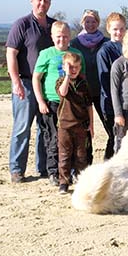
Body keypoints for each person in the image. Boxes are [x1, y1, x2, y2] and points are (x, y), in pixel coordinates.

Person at [6, 0, 56, 183]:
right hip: (26, 83)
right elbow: (11, 53)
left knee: (46, 127)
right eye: (39, 0)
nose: (42, 3)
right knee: (22, 127)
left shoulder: (53, 26)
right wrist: (16, 81)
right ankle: (17, 169)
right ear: (32, 1)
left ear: (50, 3)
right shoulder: (22, 24)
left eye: (45, 0)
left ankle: (43, 167)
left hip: (47, 84)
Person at [32, 21, 85, 186]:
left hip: (72, 105)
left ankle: (72, 171)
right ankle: (53, 172)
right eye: (58, 37)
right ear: (52, 37)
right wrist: (41, 101)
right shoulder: (46, 54)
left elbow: (82, 80)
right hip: (53, 102)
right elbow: (36, 78)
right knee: (54, 139)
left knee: (74, 139)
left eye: (65, 36)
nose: (62, 39)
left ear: (70, 37)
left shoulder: (77, 54)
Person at [70, 9, 109, 165]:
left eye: (94, 21)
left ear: (98, 23)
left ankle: (110, 160)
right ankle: (85, 164)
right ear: (82, 23)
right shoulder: (74, 44)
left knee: (111, 127)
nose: (90, 24)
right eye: (87, 21)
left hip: (103, 91)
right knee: (84, 131)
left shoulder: (106, 42)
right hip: (82, 92)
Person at [55, 52, 93, 194]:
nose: (73, 70)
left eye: (76, 67)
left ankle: (81, 179)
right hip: (64, 125)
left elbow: (89, 105)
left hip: (81, 125)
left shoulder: (83, 83)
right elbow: (63, 93)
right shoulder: (60, 81)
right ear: (64, 67)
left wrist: (91, 125)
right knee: (64, 155)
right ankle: (64, 181)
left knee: (81, 155)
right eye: (70, 67)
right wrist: (66, 76)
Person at [97, 12, 126, 160]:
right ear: (108, 29)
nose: (118, 32)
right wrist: (115, 105)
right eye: (115, 29)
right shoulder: (105, 51)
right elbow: (105, 80)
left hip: (127, 101)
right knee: (114, 136)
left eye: (121, 29)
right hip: (111, 103)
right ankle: (108, 163)